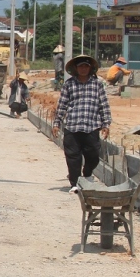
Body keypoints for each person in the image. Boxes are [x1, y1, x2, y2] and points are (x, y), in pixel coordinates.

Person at [52, 54, 112, 193]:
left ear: (90, 68)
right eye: (81, 66)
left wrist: (106, 124)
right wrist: (56, 123)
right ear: (76, 68)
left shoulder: (97, 85)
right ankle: (75, 182)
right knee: (73, 157)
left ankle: (87, 173)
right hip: (73, 126)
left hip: (91, 126)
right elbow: (62, 105)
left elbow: (104, 105)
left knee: (93, 155)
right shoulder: (69, 84)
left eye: (86, 66)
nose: (83, 69)